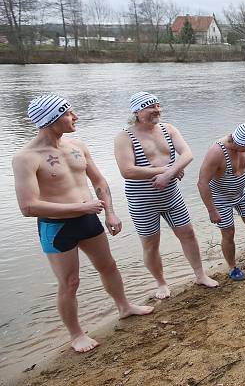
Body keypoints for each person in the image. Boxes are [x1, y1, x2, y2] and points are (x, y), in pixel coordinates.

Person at [13, 95, 154, 353]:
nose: (75, 116)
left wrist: (110, 213)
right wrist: (79, 207)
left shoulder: (77, 145)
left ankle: (124, 307)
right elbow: (28, 206)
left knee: (109, 266)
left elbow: (100, 182)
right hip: (57, 228)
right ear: (50, 120)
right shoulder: (26, 158)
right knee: (70, 282)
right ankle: (76, 334)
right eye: (68, 113)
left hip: (89, 219)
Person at [113, 92, 218, 300]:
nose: (156, 110)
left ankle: (200, 274)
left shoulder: (168, 129)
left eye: (158, 106)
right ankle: (161, 283)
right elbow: (127, 171)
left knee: (188, 233)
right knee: (151, 244)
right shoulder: (124, 137)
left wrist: (169, 172)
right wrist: (165, 171)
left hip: (171, 195)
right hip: (142, 200)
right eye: (150, 107)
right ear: (137, 112)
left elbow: (187, 153)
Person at [197, 123, 245, 281]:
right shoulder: (217, 152)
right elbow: (202, 183)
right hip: (221, 197)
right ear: (235, 142)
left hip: (242, 192)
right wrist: (211, 210)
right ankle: (232, 267)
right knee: (228, 232)